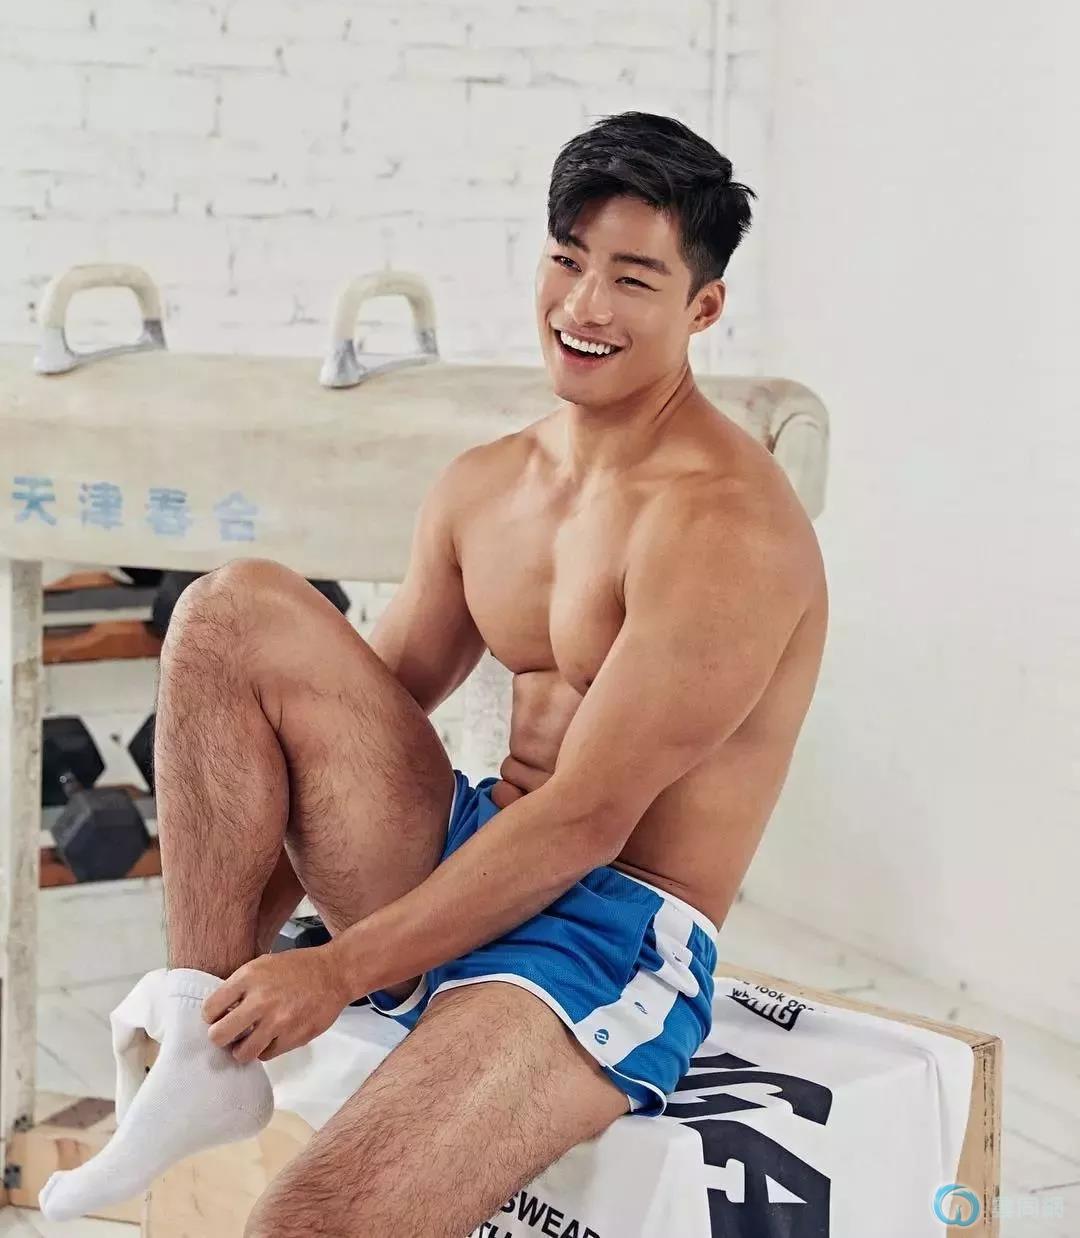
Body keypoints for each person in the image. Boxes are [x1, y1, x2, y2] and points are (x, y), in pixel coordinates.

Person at [39, 111, 827, 1235]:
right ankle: (197, 1062)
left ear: (703, 308)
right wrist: (233, 988)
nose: (584, 306)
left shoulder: (727, 527)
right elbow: (331, 724)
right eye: (567, 261)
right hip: (462, 846)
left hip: (601, 937)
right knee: (228, 612)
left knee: (306, 1225)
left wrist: (335, 972)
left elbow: (587, 820)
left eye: (632, 279)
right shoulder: (488, 483)